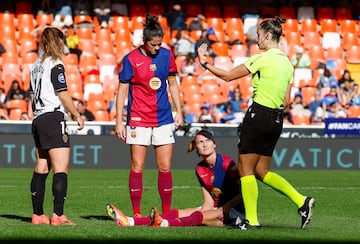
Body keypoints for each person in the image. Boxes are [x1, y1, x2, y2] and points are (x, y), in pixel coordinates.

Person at [197, 16, 315, 230]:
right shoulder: (287, 64)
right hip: (276, 119)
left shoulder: (263, 58)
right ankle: (301, 201)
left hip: (258, 116)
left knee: (246, 169)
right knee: (262, 171)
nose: (257, 40)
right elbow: (287, 101)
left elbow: (229, 76)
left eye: (259, 36)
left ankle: (251, 220)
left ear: (268, 36)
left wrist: (205, 63)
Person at [114, 13, 183, 217]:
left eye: (159, 44)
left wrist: (179, 111)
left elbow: (173, 84)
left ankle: (167, 212)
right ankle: (136, 213)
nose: (157, 48)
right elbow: (122, 92)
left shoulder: (167, 55)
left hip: (163, 118)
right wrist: (119, 121)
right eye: (153, 44)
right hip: (138, 118)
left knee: (165, 165)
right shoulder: (131, 59)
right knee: (138, 165)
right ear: (144, 42)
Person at [106, 129, 245, 227]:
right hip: (217, 208)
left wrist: (225, 208)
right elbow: (208, 202)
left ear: (214, 144)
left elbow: (245, 192)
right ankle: (130, 221)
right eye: (200, 142)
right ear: (196, 148)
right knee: (179, 213)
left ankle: (162, 224)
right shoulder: (200, 169)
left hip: (235, 210)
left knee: (197, 216)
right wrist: (208, 210)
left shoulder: (227, 163)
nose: (205, 144)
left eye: (208, 140)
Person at [29, 27, 85, 225]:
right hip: (53, 117)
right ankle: (58, 215)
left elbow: (32, 97)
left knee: (41, 166)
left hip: (38, 118)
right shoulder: (56, 63)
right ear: (58, 42)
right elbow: (62, 93)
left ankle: (37, 215)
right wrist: (77, 114)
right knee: (61, 169)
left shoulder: (34, 66)